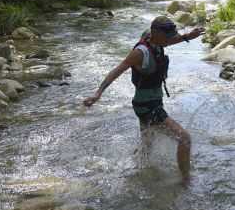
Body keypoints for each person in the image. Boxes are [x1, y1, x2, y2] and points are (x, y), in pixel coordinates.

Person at [83, 15, 205, 184]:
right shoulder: (140, 53)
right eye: (167, 36)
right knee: (184, 138)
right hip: (147, 106)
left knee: (147, 144)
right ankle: (185, 181)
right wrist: (98, 93)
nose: (170, 40)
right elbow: (117, 71)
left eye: (172, 36)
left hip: (150, 102)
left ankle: (135, 174)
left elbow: (169, 40)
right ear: (155, 33)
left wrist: (186, 37)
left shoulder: (155, 38)